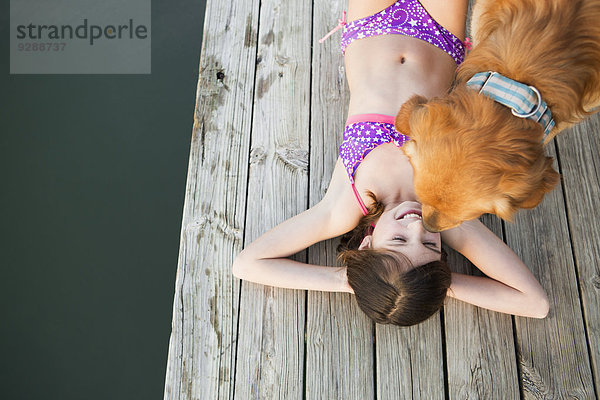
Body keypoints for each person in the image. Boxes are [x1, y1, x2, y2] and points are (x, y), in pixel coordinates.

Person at [232, 0, 549, 326]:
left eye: (398, 240)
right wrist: (442, 287)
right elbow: (535, 303)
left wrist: (347, 281)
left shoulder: (343, 207)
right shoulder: (447, 214)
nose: (416, 227)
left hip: (370, 24)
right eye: (428, 244)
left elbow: (247, 265)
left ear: (367, 243)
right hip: (437, 32)